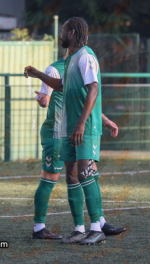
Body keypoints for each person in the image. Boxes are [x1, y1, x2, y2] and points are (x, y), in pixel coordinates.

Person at [25, 17, 126, 245]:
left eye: (63, 31)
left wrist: (81, 123)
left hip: (84, 126)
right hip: (68, 128)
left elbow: (93, 90)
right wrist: (38, 74)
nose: (61, 35)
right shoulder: (70, 60)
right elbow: (62, 87)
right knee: (72, 174)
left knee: (86, 173)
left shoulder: (86, 56)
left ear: (71, 32)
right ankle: (79, 230)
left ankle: (96, 228)